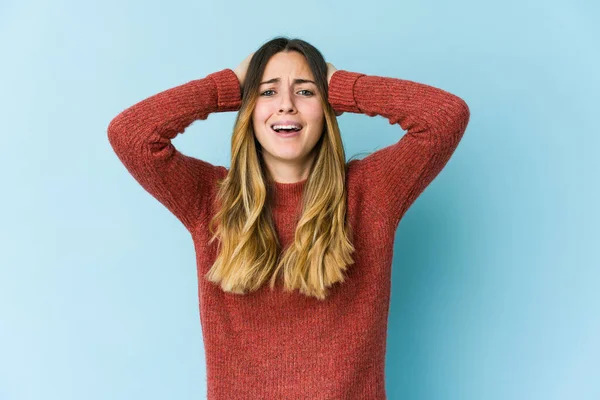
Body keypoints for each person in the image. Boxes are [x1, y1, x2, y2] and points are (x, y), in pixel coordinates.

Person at [107, 36, 470, 399]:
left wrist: (341, 84)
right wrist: (228, 85)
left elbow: (443, 117)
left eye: (306, 92)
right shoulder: (210, 198)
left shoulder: (371, 192)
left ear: (328, 106)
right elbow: (132, 134)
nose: (286, 106)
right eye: (267, 92)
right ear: (247, 108)